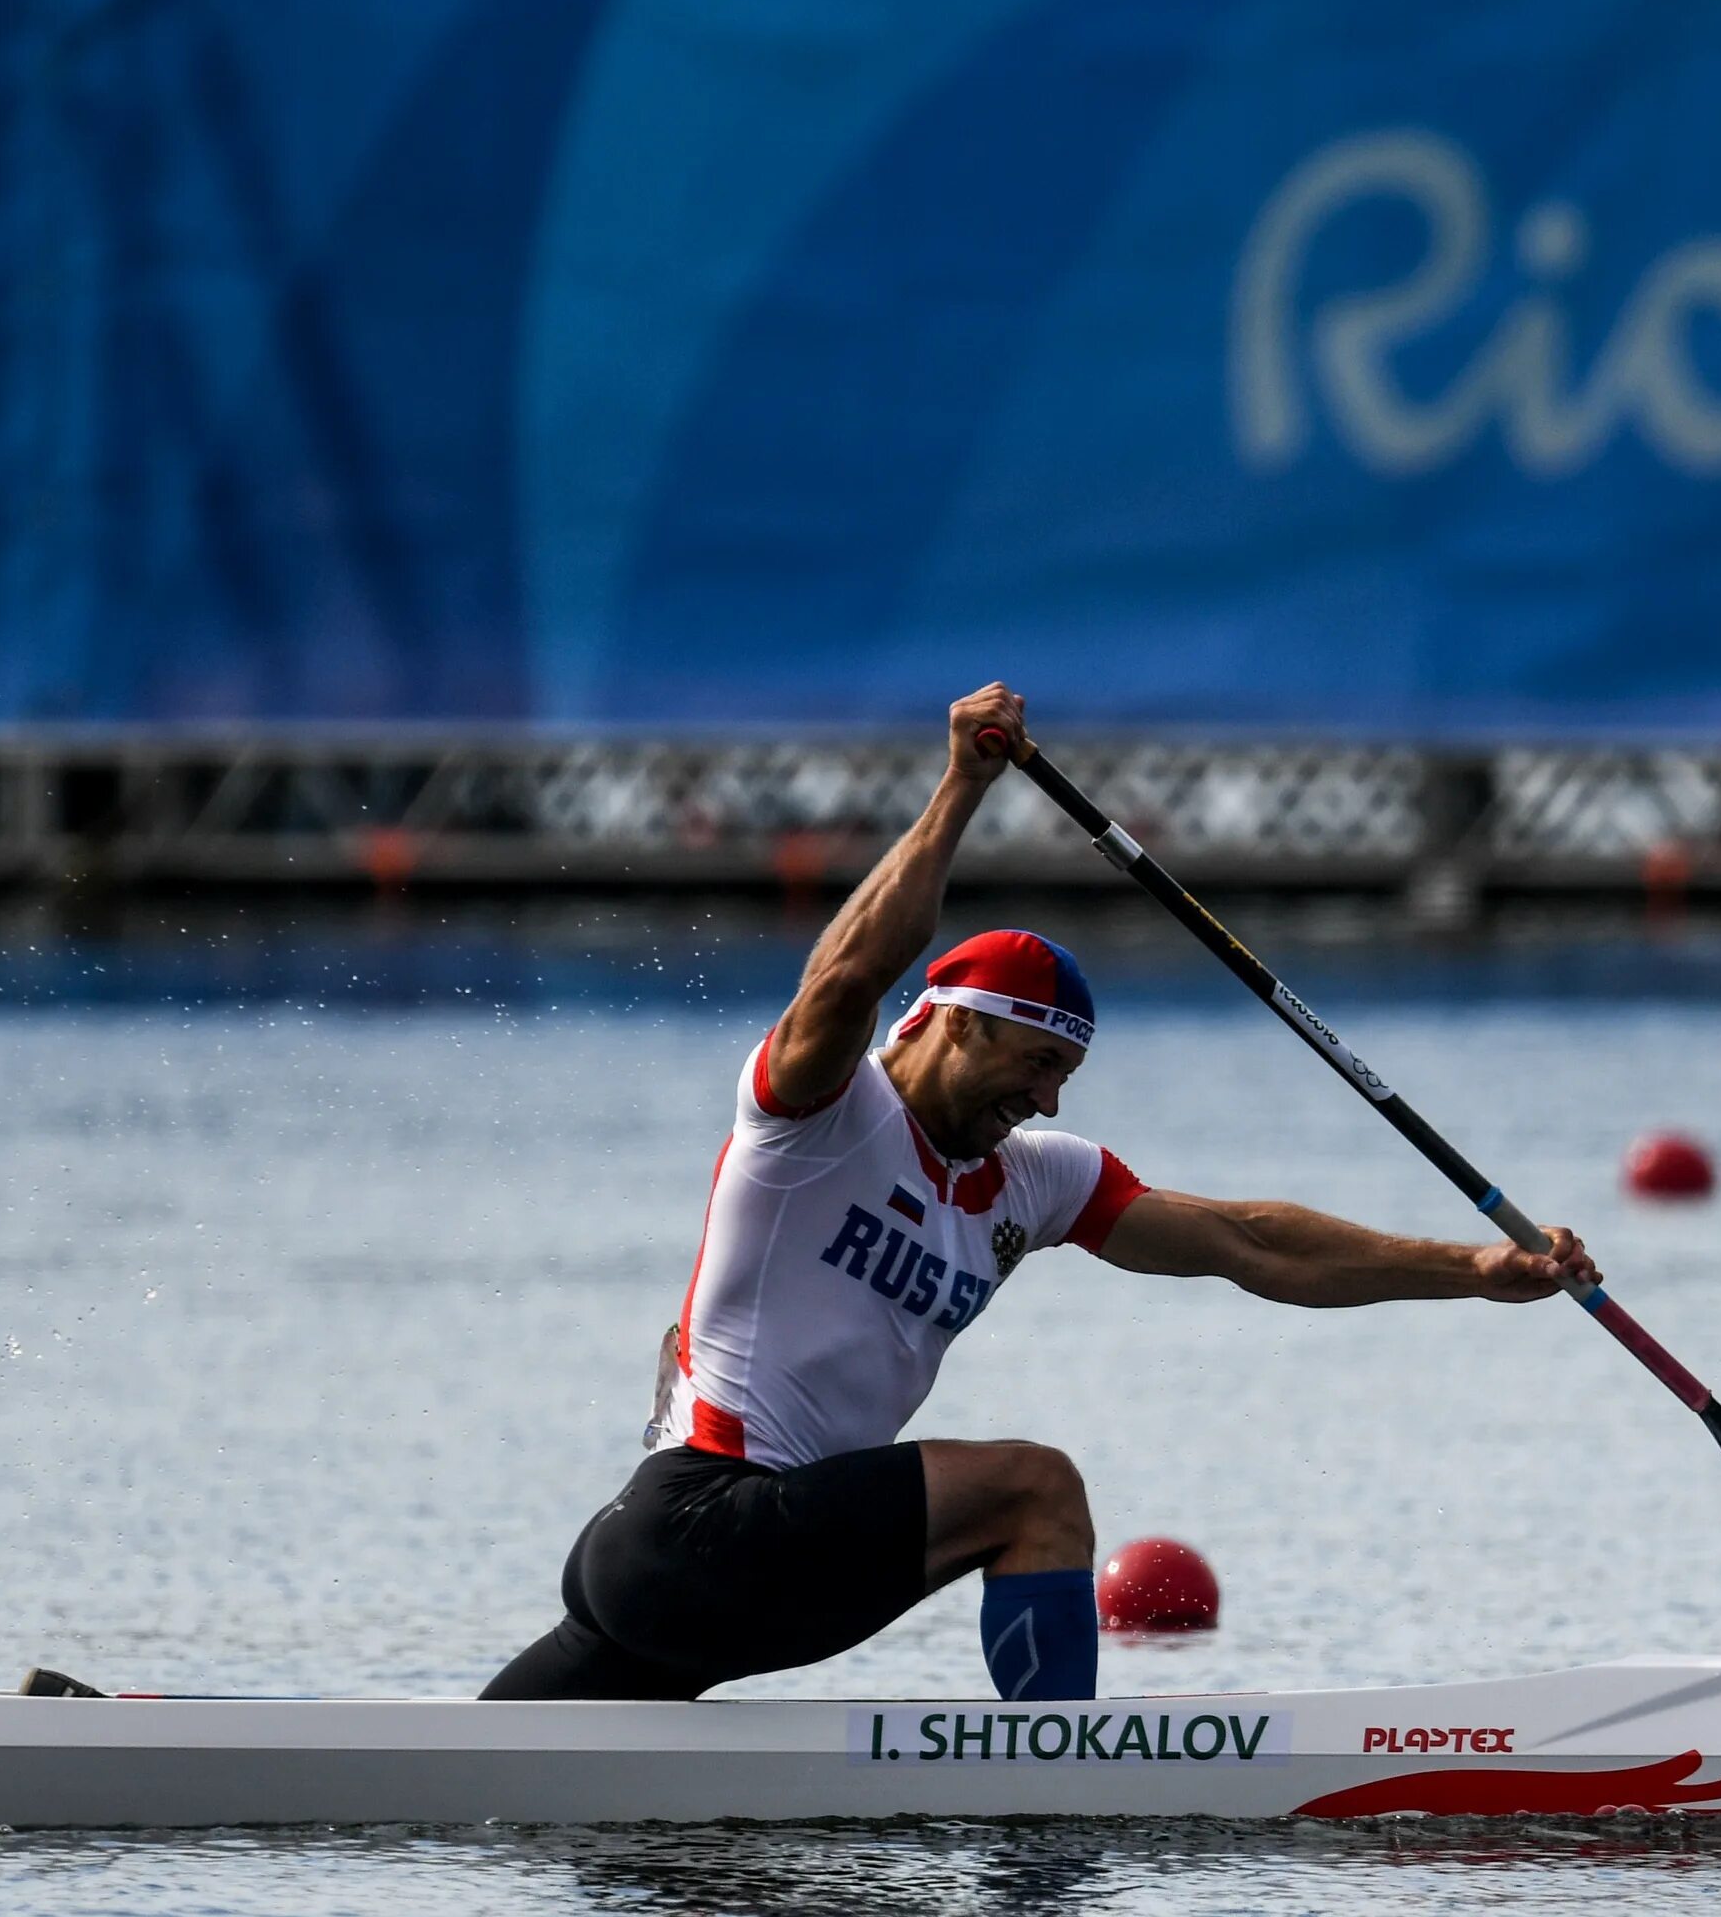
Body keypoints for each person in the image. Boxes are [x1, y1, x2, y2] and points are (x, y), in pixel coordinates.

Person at [482, 683, 1600, 1703]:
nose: (1049, 1105)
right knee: (1035, 1490)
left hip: (706, 1566)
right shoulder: (817, 1115)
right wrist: (962, 785)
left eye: (1065, 1079)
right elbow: (851, 975)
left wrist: (1476, 1270)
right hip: (700, 1525)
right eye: (1035, 1066)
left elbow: (1252, 1245)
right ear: (957, 1022)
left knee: (507, 1776)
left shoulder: (1033, 1180)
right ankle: (1057, 1799)